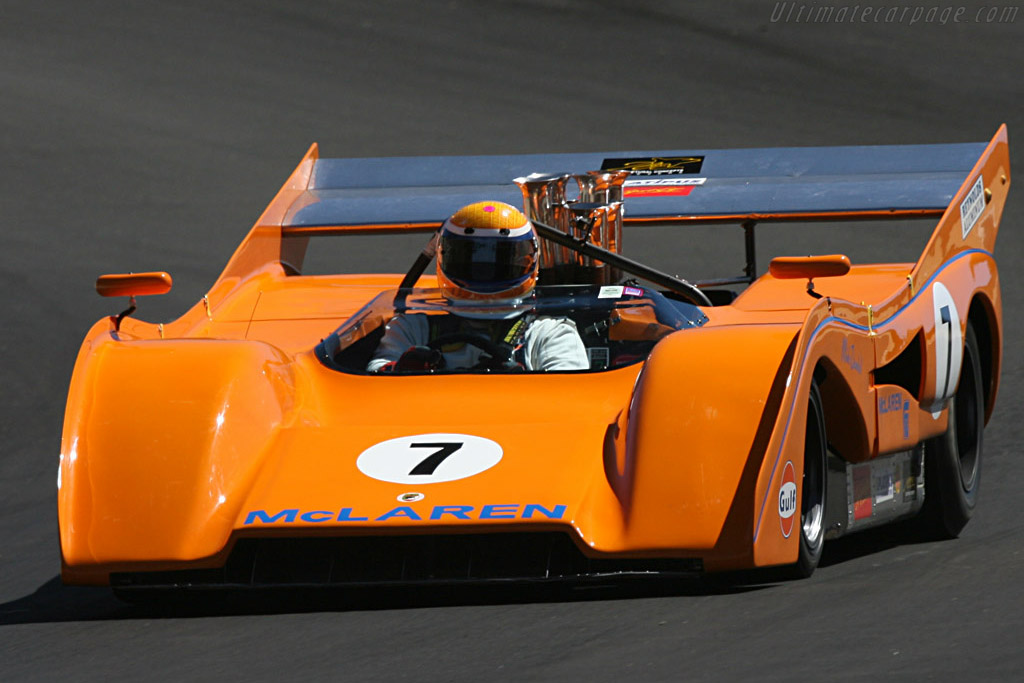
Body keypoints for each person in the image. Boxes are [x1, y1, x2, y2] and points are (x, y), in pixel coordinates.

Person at [367, 201, 589, 373]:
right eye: (469, 259)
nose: (486, 270)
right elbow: (375, 374)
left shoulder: (549, 332)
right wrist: (402, 369)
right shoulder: (411, 327)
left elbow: (574, 392)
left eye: (502, 260)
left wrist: (520, 384)